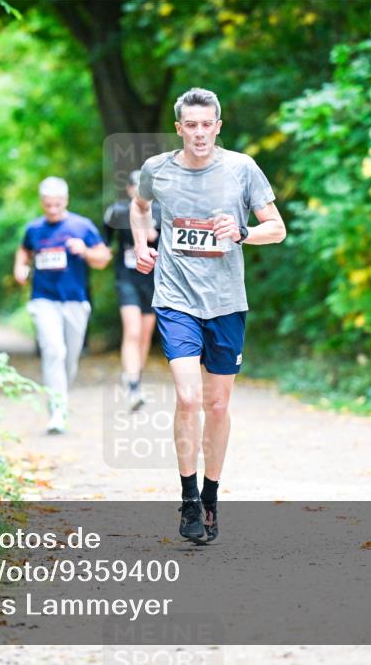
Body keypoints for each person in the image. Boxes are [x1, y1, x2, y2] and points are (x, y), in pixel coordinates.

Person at [130, 88, 286, 543]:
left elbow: (275, 229)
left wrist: (242, 232)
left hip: (226, 304)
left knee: (218, 405)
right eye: (190, 125)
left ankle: (212, 495)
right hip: (175, 298)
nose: (199, 133)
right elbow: (140, 210)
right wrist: (142, 244)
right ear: (179, 128)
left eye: (207, 124)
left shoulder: (242, 169)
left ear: (218, 125)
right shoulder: (156, 170)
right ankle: (188, 499)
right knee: (188, 396)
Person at [14, 176, 111, 434]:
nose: (53, 209)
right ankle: (57, 411)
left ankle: (61, 396)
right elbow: (23, 251)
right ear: (42, 203)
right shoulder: (34, 229)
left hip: (75, 302)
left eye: (57, 204)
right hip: (44, 300)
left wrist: (85, 251)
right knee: (53, 351)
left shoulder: (82, 226)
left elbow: (103, 258)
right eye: (48, 205)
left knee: (69, 358)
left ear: (65, 201)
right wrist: (20, 268)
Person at [103, 170, 162, 412]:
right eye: (135, 187)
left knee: (146, 333)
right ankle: (134, 386)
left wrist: (149, 232)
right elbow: (103, 242)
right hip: (126, 277)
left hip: (153, 280)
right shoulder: (117, 212)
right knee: (133, 330)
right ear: (128, 190)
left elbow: (161, 239)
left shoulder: (161, 211)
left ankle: (135, 375)